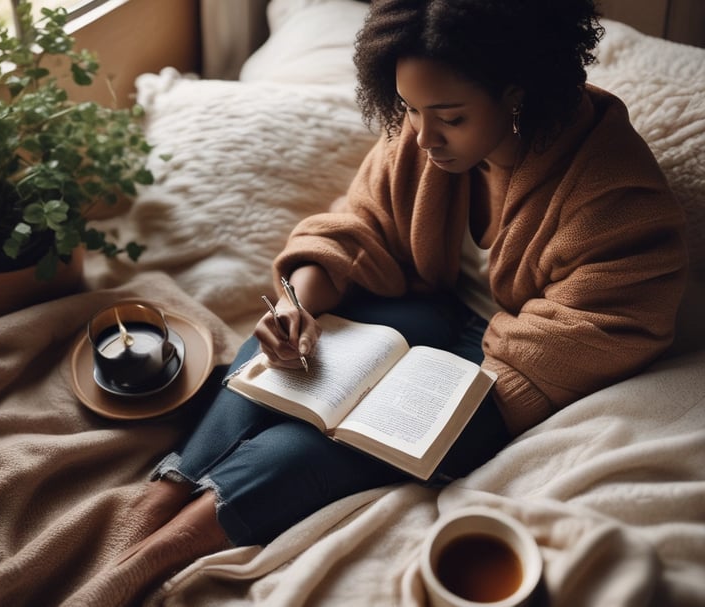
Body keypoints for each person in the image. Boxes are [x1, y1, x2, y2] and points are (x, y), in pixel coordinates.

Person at [102, 0, 688, 596]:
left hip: (511, 360)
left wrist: (437, 398)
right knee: (277, 362)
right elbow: (357, 228)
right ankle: (162, 495)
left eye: (450, 117)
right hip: (423, 304)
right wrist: (296, 305)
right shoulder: (420, 133)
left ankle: (155, 556)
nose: (423, 136)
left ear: (517, 94)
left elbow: (603, 324)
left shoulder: (614, 197)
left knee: (318, 444)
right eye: (409, 108)